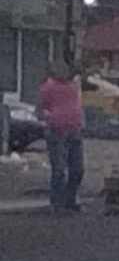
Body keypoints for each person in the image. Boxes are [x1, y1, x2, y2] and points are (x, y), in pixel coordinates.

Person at [37, 59, 85, 213]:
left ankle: (70, 200)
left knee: (78, 169)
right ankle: (57, 203)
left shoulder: (74, 85)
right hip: (57, 132)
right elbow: (39, 110)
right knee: (59, 169)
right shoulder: (48, 87)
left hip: (75, 130)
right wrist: (49, 118)